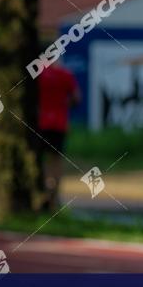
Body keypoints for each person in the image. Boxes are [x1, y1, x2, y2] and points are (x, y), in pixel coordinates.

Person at [37, 62, 80, 210]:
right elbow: (76, 98)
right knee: (56, 160)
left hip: (42, 123)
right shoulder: (65, 74)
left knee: (42, 159)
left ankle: (44, 193)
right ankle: (55, 198)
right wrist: (63, 105)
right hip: (59, 123)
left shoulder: (37, 75)